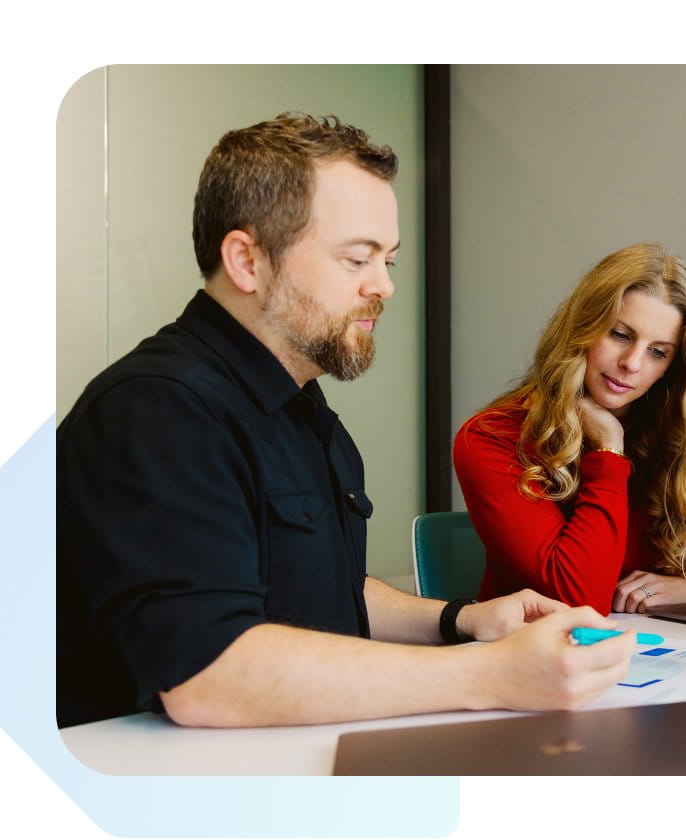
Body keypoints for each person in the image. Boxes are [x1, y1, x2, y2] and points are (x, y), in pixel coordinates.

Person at [56, 113, 633, 729]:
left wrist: (463, 621)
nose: (383, 286)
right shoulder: (156, 411)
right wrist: (493, 675)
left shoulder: (299, 406)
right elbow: (207, 677)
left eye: (389, 260)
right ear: (247, 260)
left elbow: (324, 587)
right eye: (357, 259)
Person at [453, 243, 686, 616]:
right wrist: (608, 451)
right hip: (532, 653)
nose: (631, 363)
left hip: (662, 649)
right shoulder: (492, 436)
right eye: (620, 335)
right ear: (582, 328)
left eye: (658, 352)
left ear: (672, 366)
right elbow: (580, 601)